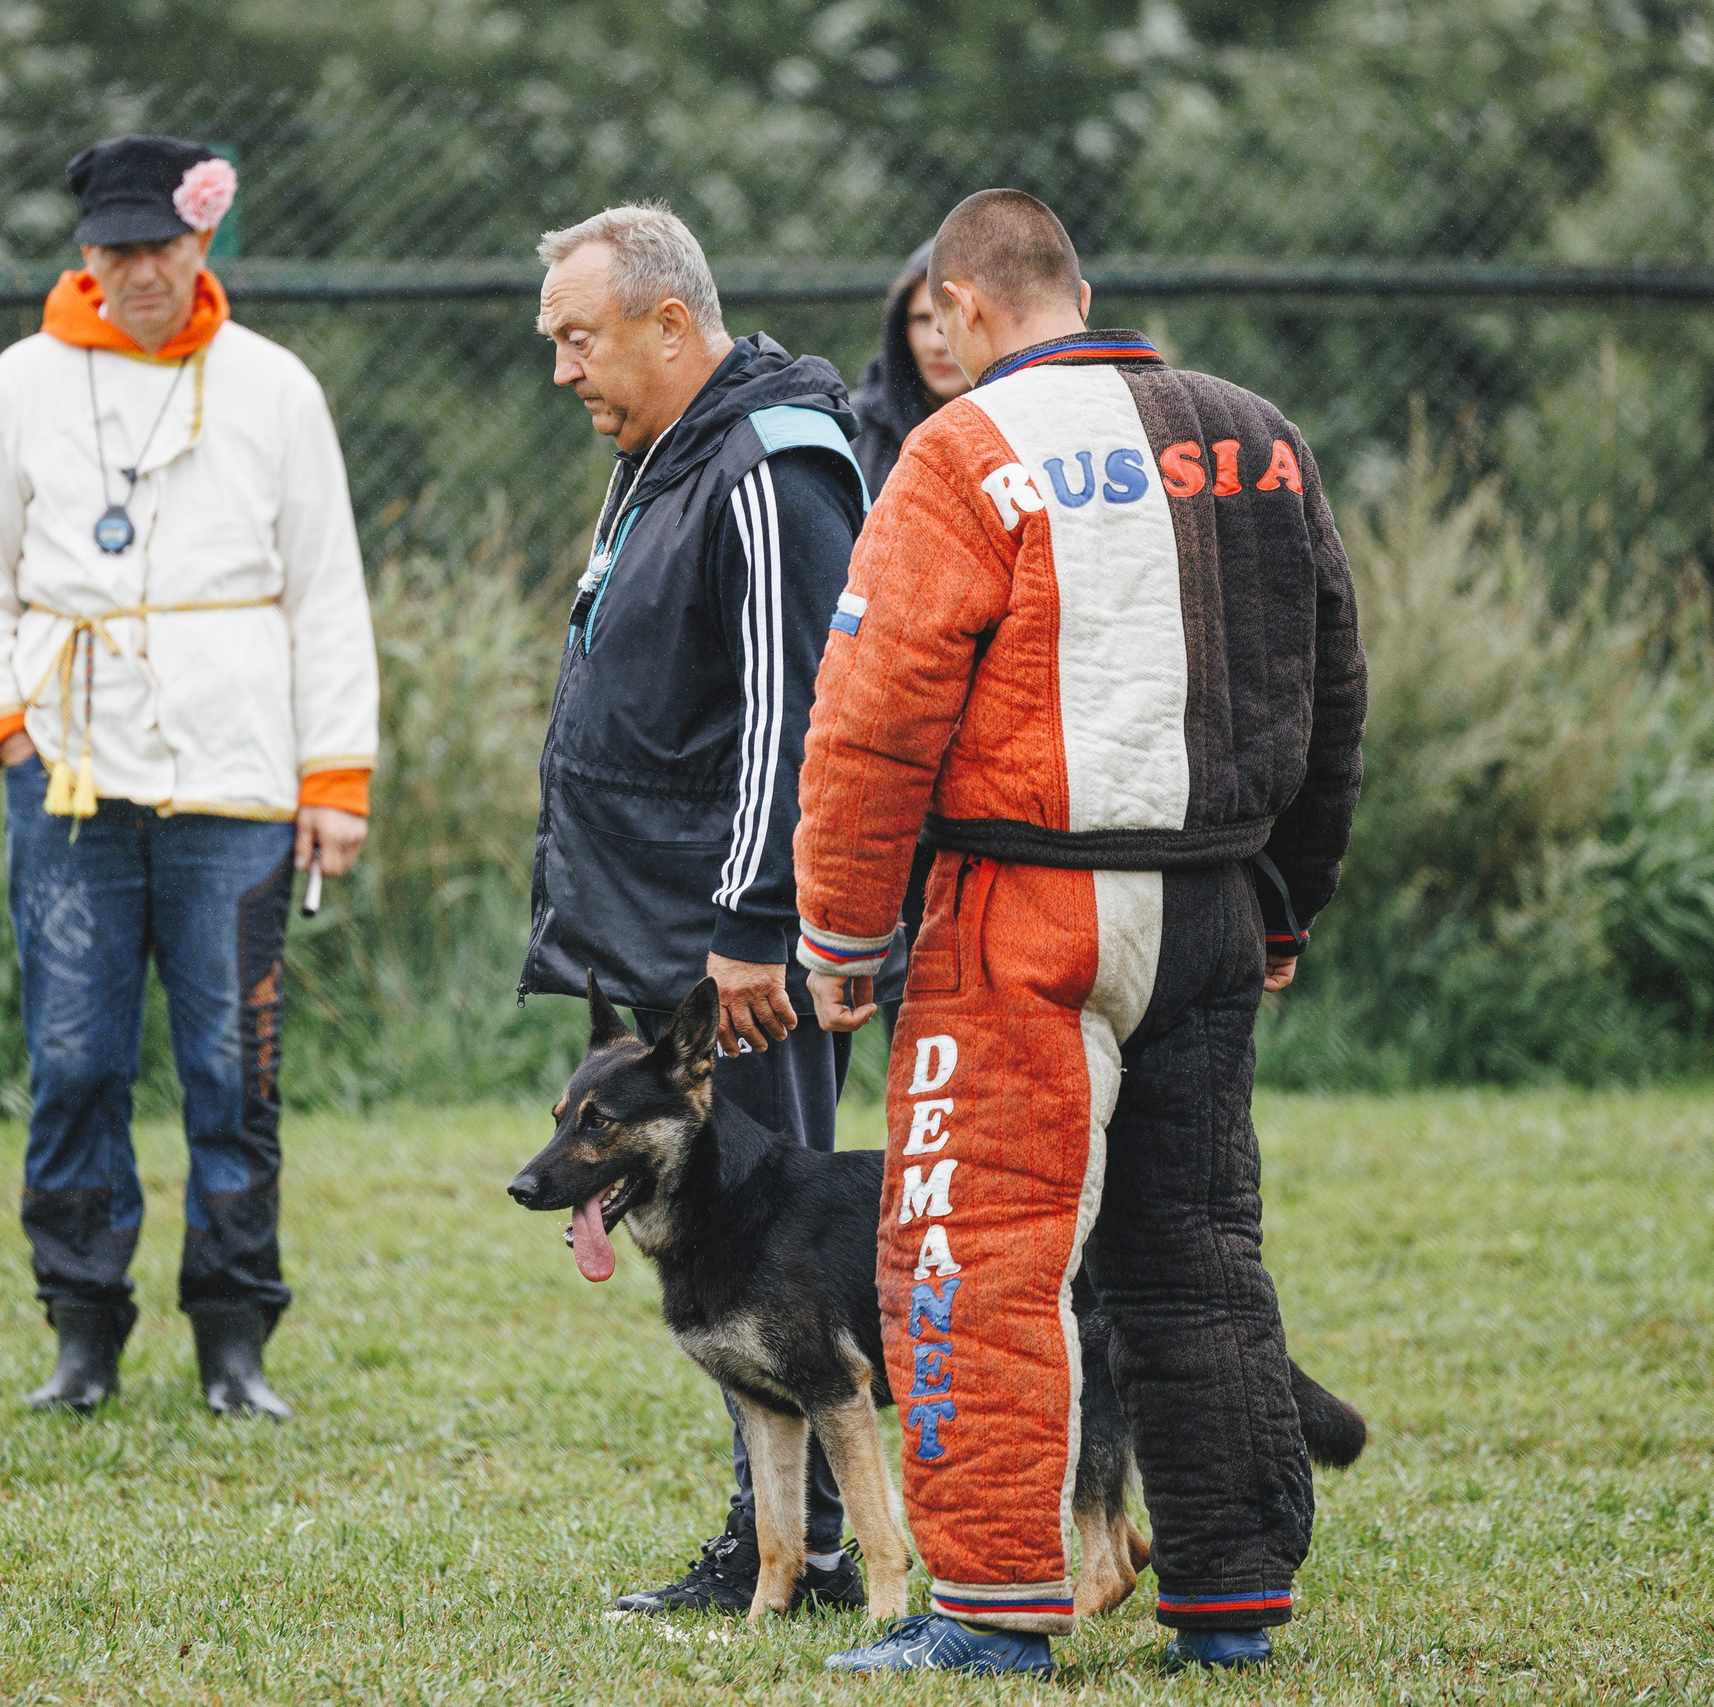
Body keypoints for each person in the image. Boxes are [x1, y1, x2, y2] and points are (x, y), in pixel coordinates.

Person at [792, 190, 1366, 1677]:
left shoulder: (959, 450)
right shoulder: (1257, 435)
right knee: (1198, 1254)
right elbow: (1332, 686)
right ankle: (1232, 1603)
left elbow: (872, 714)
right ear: (1083, 292)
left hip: (1019, 911)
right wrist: (1289, 898)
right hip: (1213, 904)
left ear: (964, 310)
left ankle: (990, 1611)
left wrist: (842, 928)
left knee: (974, 1254)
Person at [0, 135, 378, 1421]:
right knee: (75, 1061)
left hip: (238, 786)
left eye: (161, 248)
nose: (140, 271)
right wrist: (3, 727)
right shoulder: (21, 384)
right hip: (69, 781)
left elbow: (327, 593)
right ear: (87, 254)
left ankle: (234, 1340)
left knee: (233, 1071)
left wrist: (335, 777)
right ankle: (83, 1330)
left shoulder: (273, 386)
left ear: (200, 245)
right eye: (116, 250)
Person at [521, 202, 894, 1615]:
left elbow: (796, 714)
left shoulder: (766, 464)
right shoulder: (665, 451)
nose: (562, 368)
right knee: (723, 1243)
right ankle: (777, 1541)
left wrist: (751, 926)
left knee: (771, 1243)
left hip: (735, 943)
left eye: (579, 337)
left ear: (670, 323)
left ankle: (803, 1549)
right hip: (670, 927)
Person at [846, 240, 974, 1042]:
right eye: (920, 319)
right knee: (909, 983)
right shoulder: (858, 436)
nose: (935, 338)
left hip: (992, 745)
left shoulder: (1027, 427)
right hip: (894, 734)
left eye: (949, 317)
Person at [848, 240, 974, 496]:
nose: (935, 344)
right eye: (921, 319)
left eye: (955, 316)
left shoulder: (1026, 426)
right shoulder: (853, 430)